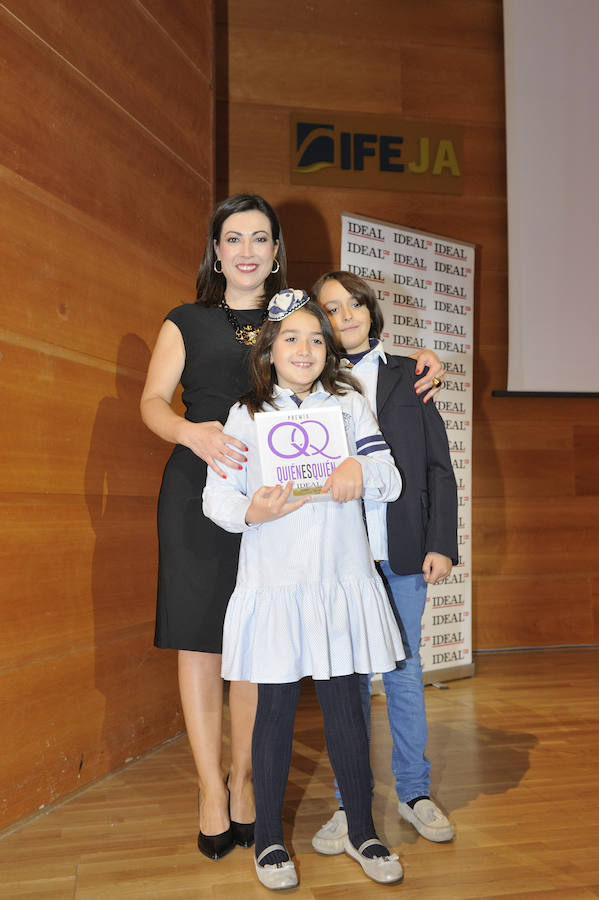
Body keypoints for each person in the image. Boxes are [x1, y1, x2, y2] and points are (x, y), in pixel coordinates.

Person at [140, 193, 444, 862]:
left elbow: (363, 350)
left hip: (288, 508)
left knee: (259, 642)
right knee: (202, 644)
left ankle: (247, 784)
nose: (246, 250)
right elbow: (151, 403)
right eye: (232, 238)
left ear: (276, 251)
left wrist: (423, 357)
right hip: (207, 488)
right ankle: (209, 793)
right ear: (215, 251)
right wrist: (193, 434)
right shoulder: (185, 320)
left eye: (259, 238)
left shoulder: (302, 319)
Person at [203, 289, 406, 890]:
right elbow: (218, 500)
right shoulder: (246, 413)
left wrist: (358, 471)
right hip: (275, 586)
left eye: (317, 338)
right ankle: (268, 840)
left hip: (339, 583)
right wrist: (254, 513)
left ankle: (363, 831)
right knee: (274, 715)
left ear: (329, 350)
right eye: (291, 337)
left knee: (347, 711)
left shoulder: (348, 404)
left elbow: (388, 476)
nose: (305, 348)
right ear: (269, 348)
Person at [310, 271, 459, 854]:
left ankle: (415, 792)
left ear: (370, 311)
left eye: (353, 304)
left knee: (402, 673)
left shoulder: (411, 375)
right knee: (345, 682)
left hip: (400, 554)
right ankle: (351, 804)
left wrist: (441, 543)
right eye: (331, 309)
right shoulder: (309, 385)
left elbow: (438, 469)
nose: (345, 315)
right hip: (337, 559)